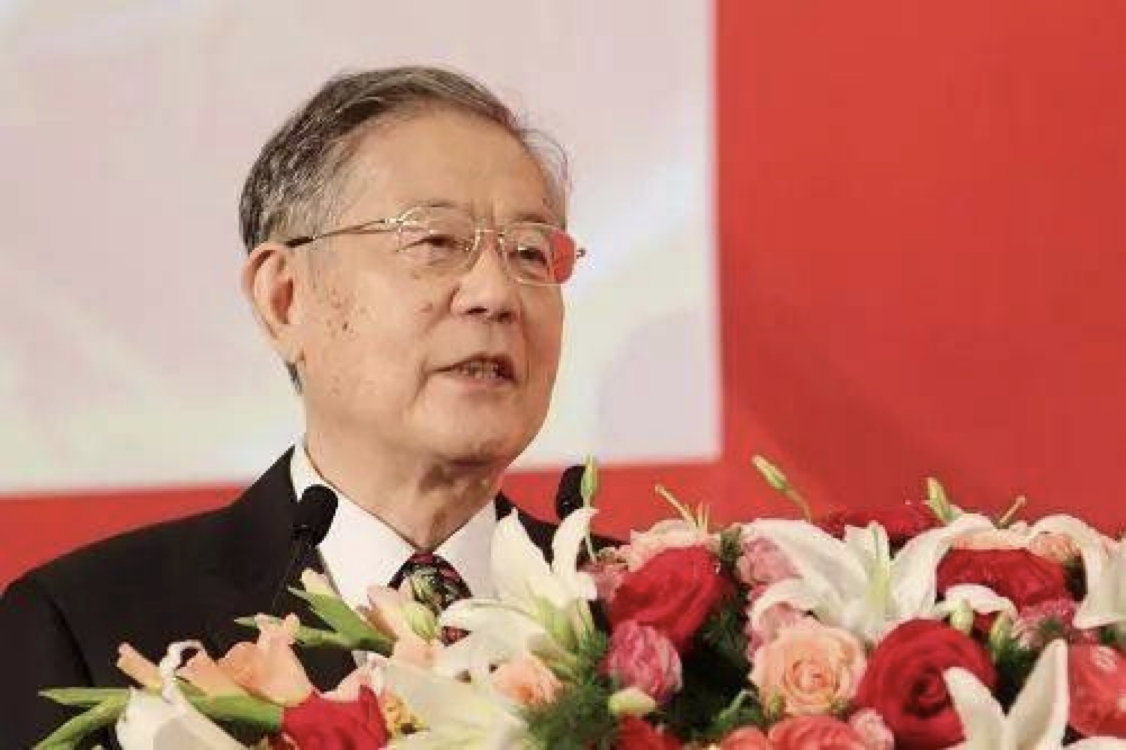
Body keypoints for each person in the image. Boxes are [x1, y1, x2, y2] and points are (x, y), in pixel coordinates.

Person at [0, 66, 588, 748]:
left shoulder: (650, 623)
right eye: (435, 242)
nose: (496, 293)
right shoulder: (83, 627)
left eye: (529, 252)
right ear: (285, 298)